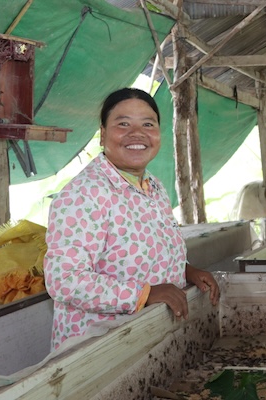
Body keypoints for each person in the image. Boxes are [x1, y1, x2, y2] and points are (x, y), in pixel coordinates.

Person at [43, 88, 220, 350]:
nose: (137, 134)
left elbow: (147, 251)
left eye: (148, 124)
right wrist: (143, 294)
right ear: (103, 134)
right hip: (97, 347)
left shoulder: (153, 186)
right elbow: (64, 279)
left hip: (144, 337)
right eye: (123, 124)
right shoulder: (83, 194)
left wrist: (187, 270)